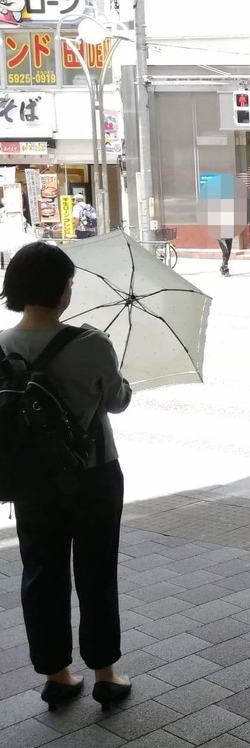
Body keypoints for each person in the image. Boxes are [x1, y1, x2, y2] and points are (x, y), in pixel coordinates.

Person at [0, 242, 133, 712]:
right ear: (61, 290)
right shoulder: (92, 342)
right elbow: (116, 400)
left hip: (31, 480)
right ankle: (106, 675)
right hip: (93, 475)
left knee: (41, 572)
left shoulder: (0, 344)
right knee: (97, 571)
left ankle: (57, 676)